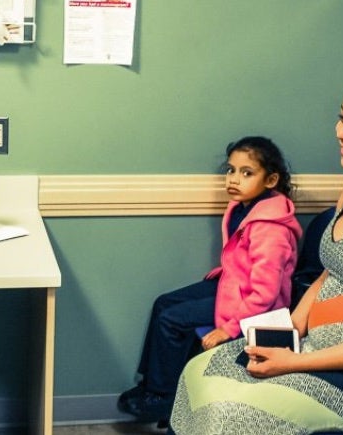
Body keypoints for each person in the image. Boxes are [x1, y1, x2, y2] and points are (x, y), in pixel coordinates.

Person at [170, 67, 343, 434]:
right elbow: (330, 271)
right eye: (342, 117)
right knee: (203, 371)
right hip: (315, 349)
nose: (342, 132)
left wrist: (293, 363)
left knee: (232, 413)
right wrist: (288, 330)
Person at [119, 136, 303, 425]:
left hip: (254, 307)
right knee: (164, 303)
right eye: (231, 170)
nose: (234, 179)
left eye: (247, 173)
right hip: (232, 287)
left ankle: (163, 398)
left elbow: (265, 294)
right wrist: (226, 272)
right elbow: (242, 258)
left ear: (271, 180)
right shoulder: (245, 207)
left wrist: (227, 329)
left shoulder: (271, 228)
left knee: (172, 319)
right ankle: (151, 384)